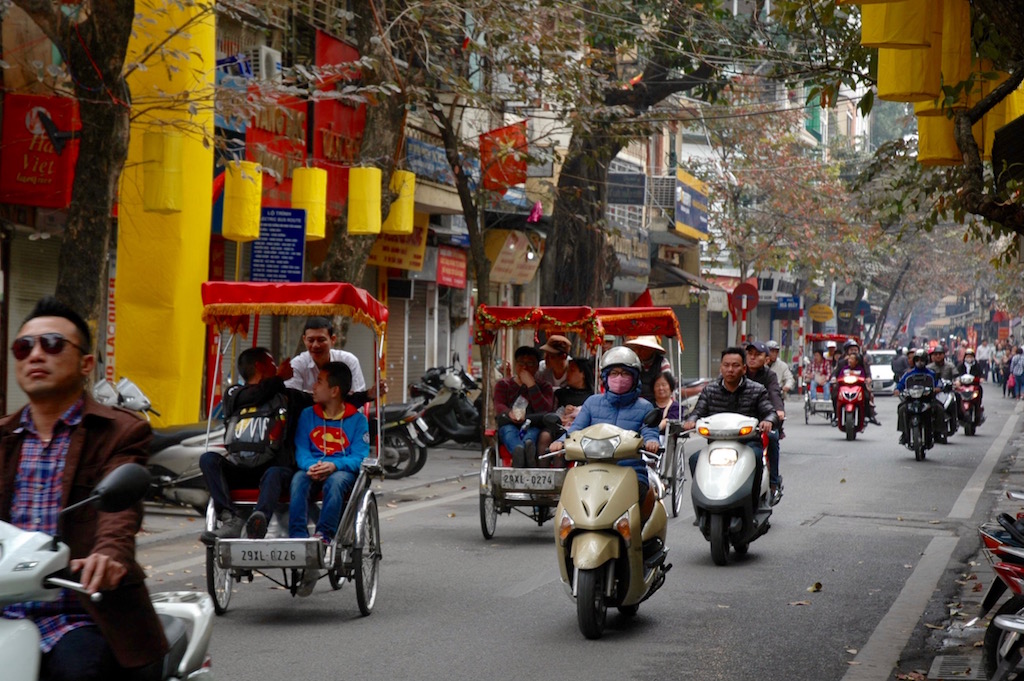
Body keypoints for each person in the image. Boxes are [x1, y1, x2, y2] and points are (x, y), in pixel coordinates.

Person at [1, 297, 168, 680]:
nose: (36, 355)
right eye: (24, 348)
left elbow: (119, 512)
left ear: (86, 363)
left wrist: (108, 555)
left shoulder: (121, 431)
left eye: (53, 344)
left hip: (82, 613)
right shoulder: (3, 437)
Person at [200, 347, 312, 543]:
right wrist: (279, 378)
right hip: (241, 468)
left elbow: (323, 400)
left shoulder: (288, 395)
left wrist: (362, 395)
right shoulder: (235, 394)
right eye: (272, 363)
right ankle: (230, 518)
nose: (276, 366)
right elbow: (256, 395)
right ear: (260, 366)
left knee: (274, 473)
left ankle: (258, 521)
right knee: (208, 459)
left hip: (275, 472)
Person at [548, 347, 659, 504]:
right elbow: (575, 429)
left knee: (638, 497)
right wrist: (560, 441)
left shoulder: (645, 407)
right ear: (606, 378)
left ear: (634, 378)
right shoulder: (592, 403)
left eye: (625, 373)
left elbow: (649, 430)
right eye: (614, 373)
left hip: (630, 471)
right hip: (592, 469)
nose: (619, 378)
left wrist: (651, 442)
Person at [683, 346, 780, 503]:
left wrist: (768, 420)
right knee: (695, 459)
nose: (730, 369)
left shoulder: (757, 390)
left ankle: (754, 503)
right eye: (726, 365)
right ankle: (703, 505)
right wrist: (691, 421)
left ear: (743, 369)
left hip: (748, 443)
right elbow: (698, 411)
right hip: (717, 443)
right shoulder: (710, 390)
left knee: (756, 458)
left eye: (735, 366)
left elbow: (770, 412)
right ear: (721, 367)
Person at [289, 362, 369, 543]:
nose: (313, 387)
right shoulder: (307, 415)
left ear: (334, 391)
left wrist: (334, 465)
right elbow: (301, 448)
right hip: (312, 468)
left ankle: (324, 535)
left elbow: (359, 457)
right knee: (298, 481)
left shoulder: (358, 420)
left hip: (341, 470)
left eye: (319, 382)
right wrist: (312, 466)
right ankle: (297, 535)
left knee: (335, 483)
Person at [282, 316, 383, 405]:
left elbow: (357, 398)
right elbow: (292, 401)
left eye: (321, 340)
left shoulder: (349, 361)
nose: (315, 345)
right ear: (304, 340)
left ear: (333, 339)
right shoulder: (297, 364)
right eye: (311, 340)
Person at [493, 346, 555, 467]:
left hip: (533, 424)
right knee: (508, 432)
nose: (525, 367)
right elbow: (499, 405)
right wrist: (509, 412)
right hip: (510, 423)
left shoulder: (544, 387)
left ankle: (527, 450)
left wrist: (531, 385)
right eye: (521, 363)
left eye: (530, 364)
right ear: (516, 365)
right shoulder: (503, 385)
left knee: (531, 436)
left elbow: (545, 409)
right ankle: (519, 451)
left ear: (537, 366)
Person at [745, 341, 784, 498]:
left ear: (766, 359)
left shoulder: (770, 375)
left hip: (764, 419)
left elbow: (774, 393)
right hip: (738, 421)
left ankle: (774, 483)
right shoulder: (738, 372)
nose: (752, 358)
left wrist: (778, 411)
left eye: (757, 355)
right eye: (750, 354)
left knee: (773, 438)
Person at [537, 358, 594, 465]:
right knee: (545, 435)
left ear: (583, 374)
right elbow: (552, 411)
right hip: (557, 426)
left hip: (577, 432)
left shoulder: (592, 397)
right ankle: (541, 473)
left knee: (562, 447)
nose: (568, 374)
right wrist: (560, 416)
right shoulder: (560, 393)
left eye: (572, 370)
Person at [894, 349, 938, 445]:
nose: (919, 362)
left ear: (926, 361)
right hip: (911, 400)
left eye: (922, 360)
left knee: (938, 408)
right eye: (917, 360)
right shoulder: (909, 374)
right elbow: (901, 384)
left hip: (927, 400)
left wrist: (937, 388)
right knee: (901, 409)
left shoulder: (931, 373)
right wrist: (897, 390)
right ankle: (904, 433)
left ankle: (937, 432)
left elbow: (937, 384)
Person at [624, 335, 673, 403]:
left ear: (651, 350)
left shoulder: (663, 362)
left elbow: (666, 385)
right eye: (639, 348)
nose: (639, 351)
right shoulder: (633, 363)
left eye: (644, 349)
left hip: (658, 401)